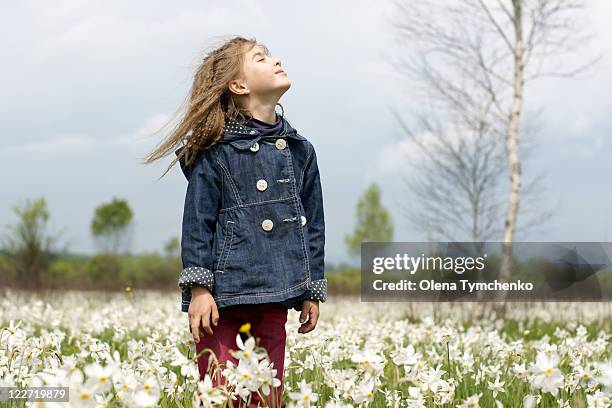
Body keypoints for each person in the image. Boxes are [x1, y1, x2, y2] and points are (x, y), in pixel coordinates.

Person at [145, 36, 327, 407]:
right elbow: (197, 222)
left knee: (267, 393)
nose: (277, 60)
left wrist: (311, 288)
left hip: (277, 295)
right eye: (261, 58)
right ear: (239, 85)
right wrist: (198, 289)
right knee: (222, 393)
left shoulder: (300, 150)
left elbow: (313, 224)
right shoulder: (214, 151)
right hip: (223, 299)